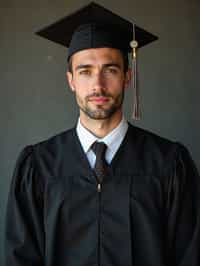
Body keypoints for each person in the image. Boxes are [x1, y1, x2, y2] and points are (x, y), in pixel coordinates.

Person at [5, 2, 200, 266]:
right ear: (71, 81)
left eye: (110, 70)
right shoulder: (38, 165)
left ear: (127, 77)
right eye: (85, 71)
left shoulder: (169, 163)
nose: (98, 84)